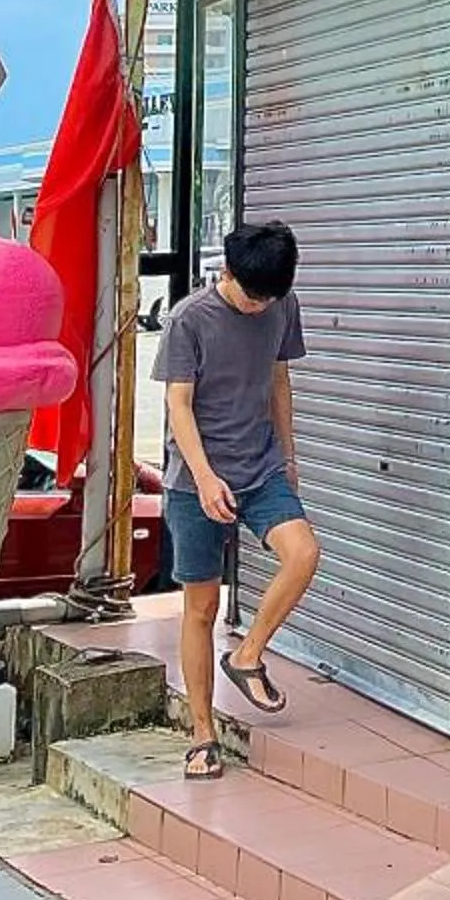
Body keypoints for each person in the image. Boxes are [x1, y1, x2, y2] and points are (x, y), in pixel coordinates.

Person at [152, 221, 320, 779]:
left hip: (261, 467)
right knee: (199, 608)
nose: (260, 308)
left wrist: (290, 455)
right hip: (194, 478)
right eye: (253, 296)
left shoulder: (280, 303)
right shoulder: (188, 319)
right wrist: (202, 478)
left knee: (304, 554)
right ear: (226, 273)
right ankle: (203, 734)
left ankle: (247, 655)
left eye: (270, 298)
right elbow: (179, 405)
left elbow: (278, 380)